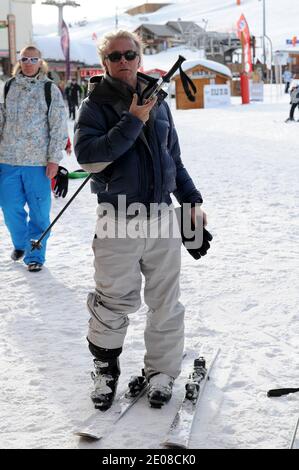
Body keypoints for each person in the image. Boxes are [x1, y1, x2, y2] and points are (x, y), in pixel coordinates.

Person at [74, 30, 207, 410]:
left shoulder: (160, 101)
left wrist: (192, 201)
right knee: (113, 301)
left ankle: (161, 372)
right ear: (105, 63)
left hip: (162, 215)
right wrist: (132, 120)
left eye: (129, 54)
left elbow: (173, 160)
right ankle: (105, 370)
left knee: (166, 301)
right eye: (114, 56)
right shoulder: (95, 105)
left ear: (140, 57)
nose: (123, 61)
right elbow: (90, 158)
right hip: (118, 217)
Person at [0, 45, 68, 272]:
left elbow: (59, 127)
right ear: (19, 61)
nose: (29, 62)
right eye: (25, 59)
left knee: (39, 212)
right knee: (10, 209)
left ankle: (35, 254)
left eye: (33, 59)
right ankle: (21, 244)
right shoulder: (8, 87)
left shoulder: (50, 89)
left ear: (41, 62)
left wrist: (54, 159)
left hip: (38, 163)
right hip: (8, 160)